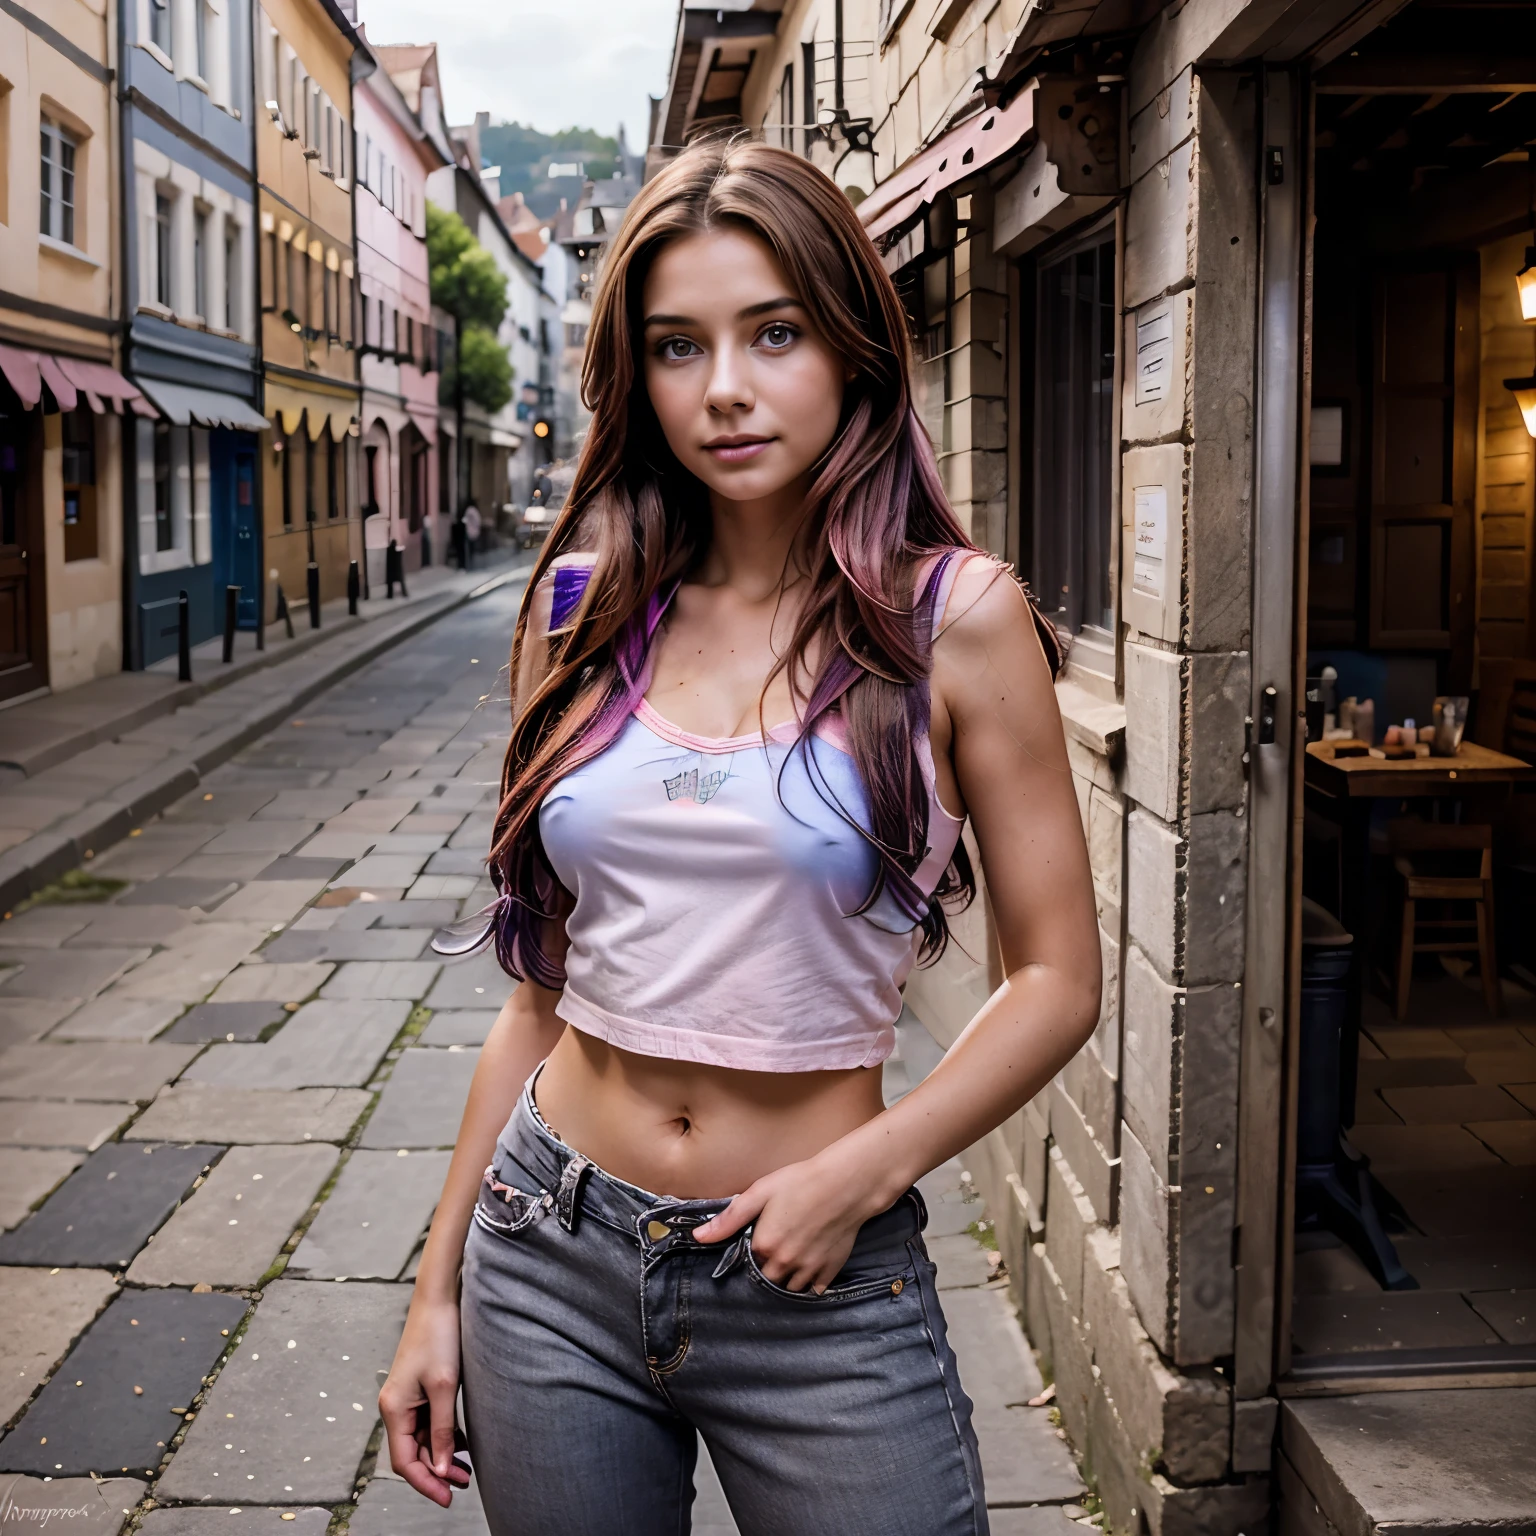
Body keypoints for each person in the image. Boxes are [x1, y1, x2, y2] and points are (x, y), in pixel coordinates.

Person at [380, 137, 1100, 1536]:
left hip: (819, 1276)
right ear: (634, 378)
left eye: (773, 332)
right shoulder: (584, 607)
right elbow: (538, 998)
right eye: (676, 345)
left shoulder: (953, 619)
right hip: (550, 1251)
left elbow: (1060, 977)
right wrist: (438, 1289)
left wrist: (867, 1169)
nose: (724, 388)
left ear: (851, 347)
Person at [461, 500, 482, 569]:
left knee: (469, 550)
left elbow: (465, 520)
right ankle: (474, 565)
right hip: (476, 532)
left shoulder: (469, 510)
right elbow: (478, 521)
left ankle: (469, 566)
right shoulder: (475, 511)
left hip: (469, 532)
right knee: (474, 550)